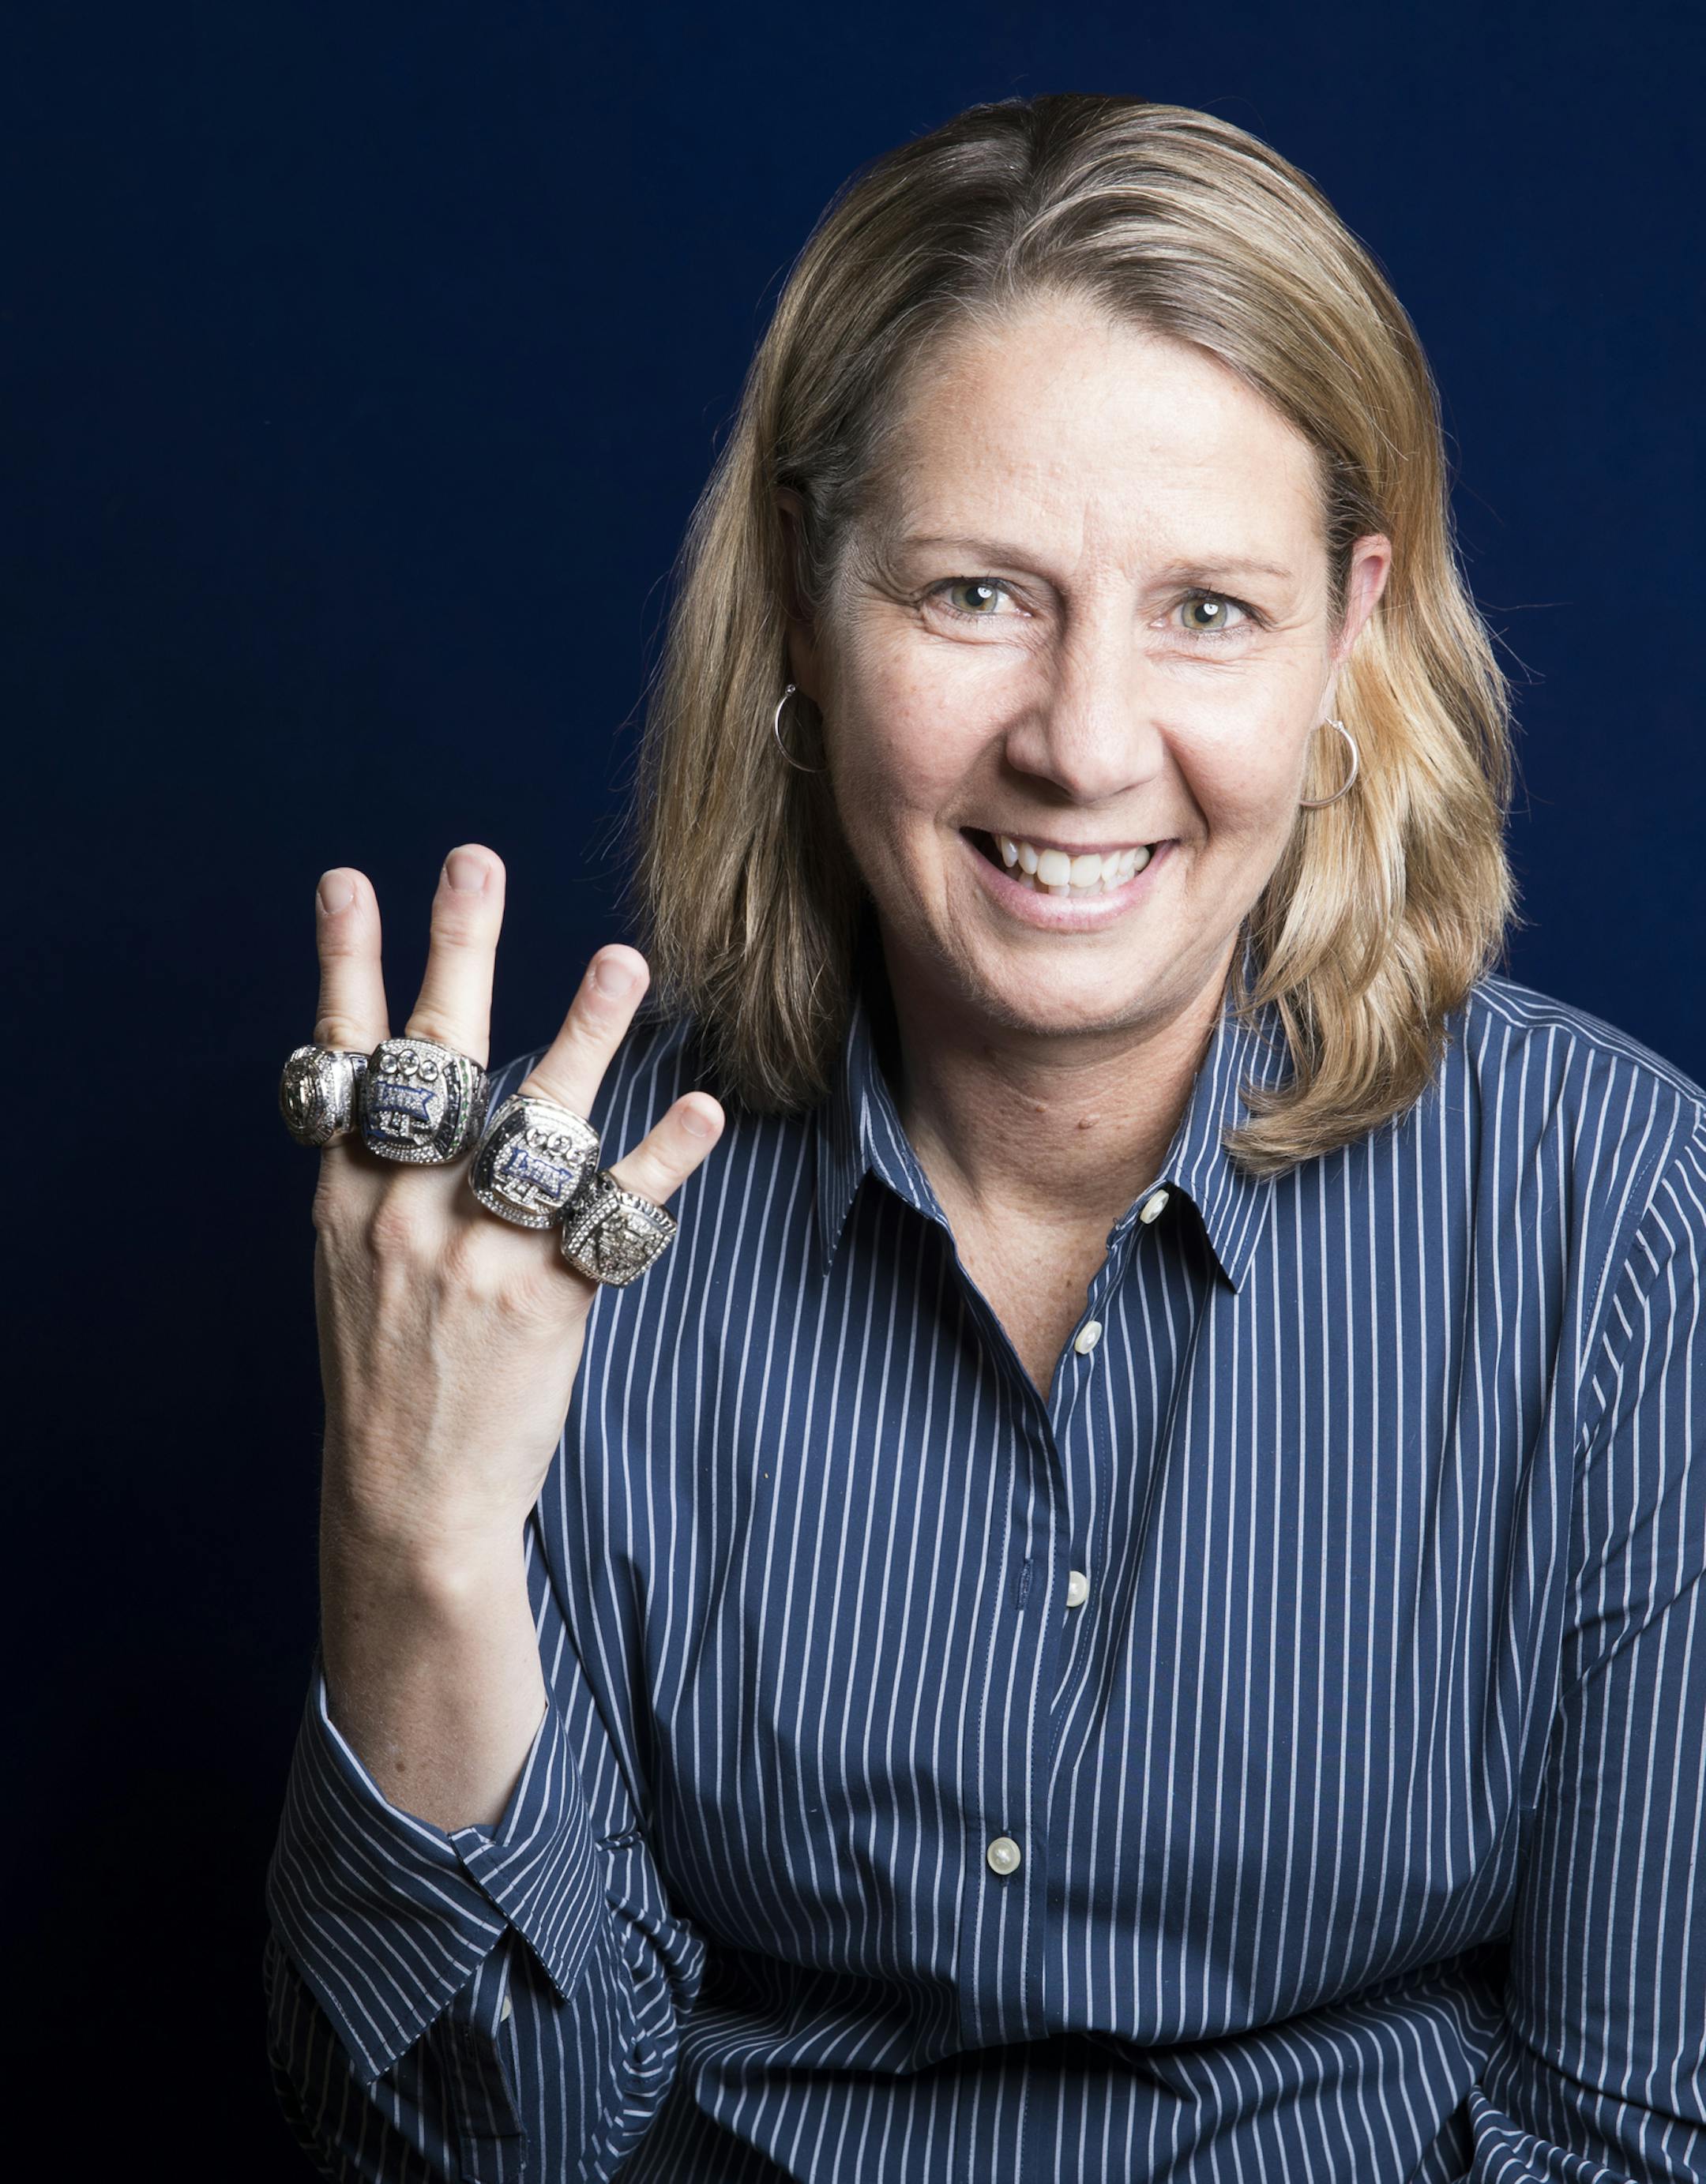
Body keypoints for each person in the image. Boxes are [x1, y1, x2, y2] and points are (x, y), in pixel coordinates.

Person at [263, 92, 1706, 2183]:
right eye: (975, 594)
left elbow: (1638, 2133)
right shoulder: (541, 1236)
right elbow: (484, 2152)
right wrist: (416, 1537)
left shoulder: (1633, 1232)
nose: (1085, 743)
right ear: (806, 595)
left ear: (1349, 630)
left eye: (1208, 609)